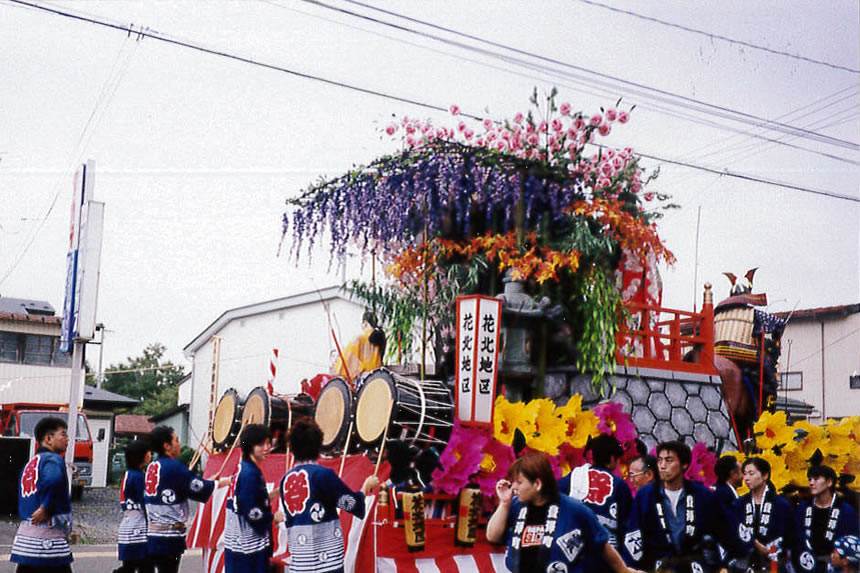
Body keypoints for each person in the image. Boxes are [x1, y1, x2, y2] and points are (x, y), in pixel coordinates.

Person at [487, 451, 639, 573]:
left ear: (537, 484)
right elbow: (492, 536)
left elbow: (602, 544)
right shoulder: (515, 505)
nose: (514, 487)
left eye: (519, 482)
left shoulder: (575, 509)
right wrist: (504, 503)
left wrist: (623, 570)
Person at [624, 440, 748, 573]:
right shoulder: (645, 495)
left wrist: (736, 556)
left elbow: (726, 528)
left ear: (684, 465)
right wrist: (631, 567)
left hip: (696, 566)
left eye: (669, 460)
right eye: (660, 460)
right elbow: (634, 534)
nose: (662, 466)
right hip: (661, 567)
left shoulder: (703, 495)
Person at [279, 418, 379, 573]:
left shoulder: (285, 479)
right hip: (325, 562)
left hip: (299, 562)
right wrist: (366, 487)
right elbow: (351, 504)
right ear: (318, 446)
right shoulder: (322, 475)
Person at [145, 425, 229, 573]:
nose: (179, 444)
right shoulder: (173, 467)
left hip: (153, 535)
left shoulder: (153, 466)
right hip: (168, 537)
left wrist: (209, 480)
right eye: (176, 440)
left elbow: (183, 487)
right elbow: (197, 488)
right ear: (167, 446)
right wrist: (224, 482)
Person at [10, 416, 74, 573]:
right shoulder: (53, 459)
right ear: (49, 438)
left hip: (26, 540)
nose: (67, 439)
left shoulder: (32, 463)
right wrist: (47, 507)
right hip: (47, 540)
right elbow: (53, 481)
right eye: (63, 434)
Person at [558, 434, 633, 552]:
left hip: (574, 547)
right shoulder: (619, 484)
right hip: (608, 552)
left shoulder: (573, 477)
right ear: (612, 458)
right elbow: (626, 524)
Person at [224, 424, 283, 573]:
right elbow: (251, 511)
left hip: (236, 545)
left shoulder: (242, 467)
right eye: (260, 444)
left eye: (268, 443)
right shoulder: (250, 474)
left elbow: (245, 500)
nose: (266, 447)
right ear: (250, 446)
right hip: (248, 549)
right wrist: (273, 518)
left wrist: (275, 493)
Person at [733, 457, 799, 573]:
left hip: (774, 565)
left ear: (765, 476)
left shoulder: (782, 505)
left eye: (751, 473)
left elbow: (792, 537)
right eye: (745, 474)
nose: (747, 478)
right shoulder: (739, 504)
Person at [796, 466, 860, 573]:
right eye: (810, 479)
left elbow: (852, 545)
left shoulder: (846, 511)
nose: (811, 483)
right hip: (805, 563)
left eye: (816, 479)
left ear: (829, 482)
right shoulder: (803, 507)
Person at [115, 439, 152, 573]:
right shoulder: (138, 477)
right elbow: (145, 502)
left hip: (128, 525)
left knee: (130, 565)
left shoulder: (129, 474)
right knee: (144, 566)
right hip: (138, 527)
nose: (150, 454)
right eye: (147, 452)